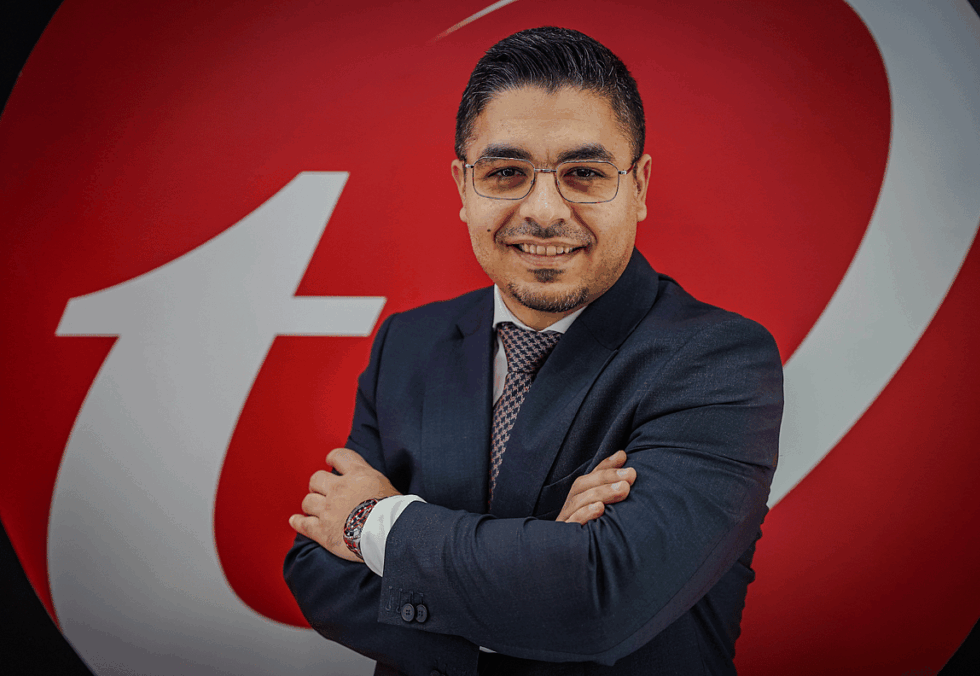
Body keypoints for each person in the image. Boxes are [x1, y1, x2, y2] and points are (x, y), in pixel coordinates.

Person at [285, 26, 782, 676]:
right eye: (506, 173)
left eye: (584, 173)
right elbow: (317, 572)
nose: (544, 211)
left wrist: (372, 523)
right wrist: (545, 567)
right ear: (463, 187)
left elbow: (601, 602)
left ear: (638, 186)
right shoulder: (407, 343)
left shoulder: (718, 360)